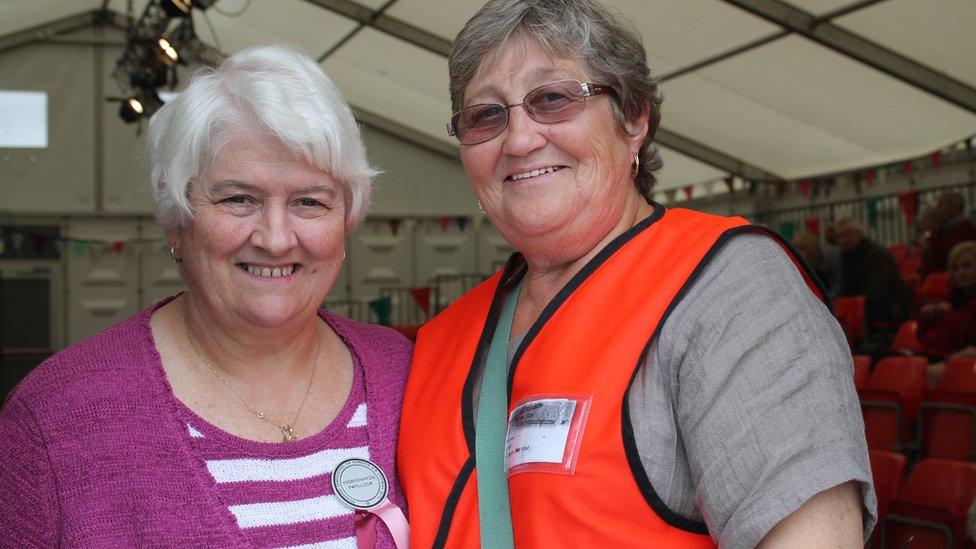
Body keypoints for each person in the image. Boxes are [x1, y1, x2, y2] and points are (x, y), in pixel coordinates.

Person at [398, 1, 875, 547]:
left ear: (634, 119)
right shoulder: (440, 338)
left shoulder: (729, 288)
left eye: (552, 99)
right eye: (485, 115)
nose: (519, 139)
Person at [0, 45, 411, 547]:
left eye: (309, 201)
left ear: (346, 220)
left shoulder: (407, 375)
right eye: (238, 199)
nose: (276, 238)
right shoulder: (57, 417)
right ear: (177, 221)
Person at [835, 217, 913, 348]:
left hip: (891, 305)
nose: (842, 240)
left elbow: (877, 292)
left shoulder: (879, 255)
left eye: (847, 234)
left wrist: (854, 306)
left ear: (859, 233)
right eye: (839, 236)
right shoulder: (846, 258)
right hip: (866, 304)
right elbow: (845, 289)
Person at [918, 241, 976, 359]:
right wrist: (927, 319)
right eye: (955, 268)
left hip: (958, 365)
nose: (960, 273)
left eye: (967, 266)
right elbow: (924, 340)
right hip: (933, 357)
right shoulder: (950, 303)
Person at [921, 191, 976, 276]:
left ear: (953, 207)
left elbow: (952, 254)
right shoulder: (945, 227)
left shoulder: (964, 226)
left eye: (941, 205)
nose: (937, 208)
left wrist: (934, 235)